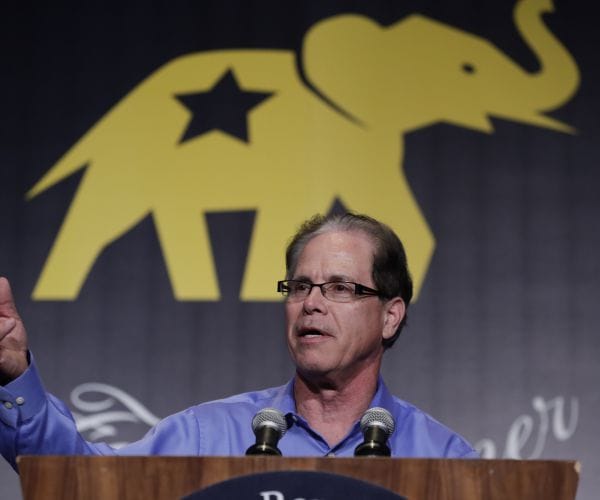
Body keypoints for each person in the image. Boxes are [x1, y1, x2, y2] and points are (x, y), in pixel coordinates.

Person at [0, 213, 477, 470]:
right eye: (299, 286)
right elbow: (82, 479)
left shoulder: (445, 460)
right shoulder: (206, 437)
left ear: (391, 316)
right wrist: (16, 373)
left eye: (339, 288)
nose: (311, 304)